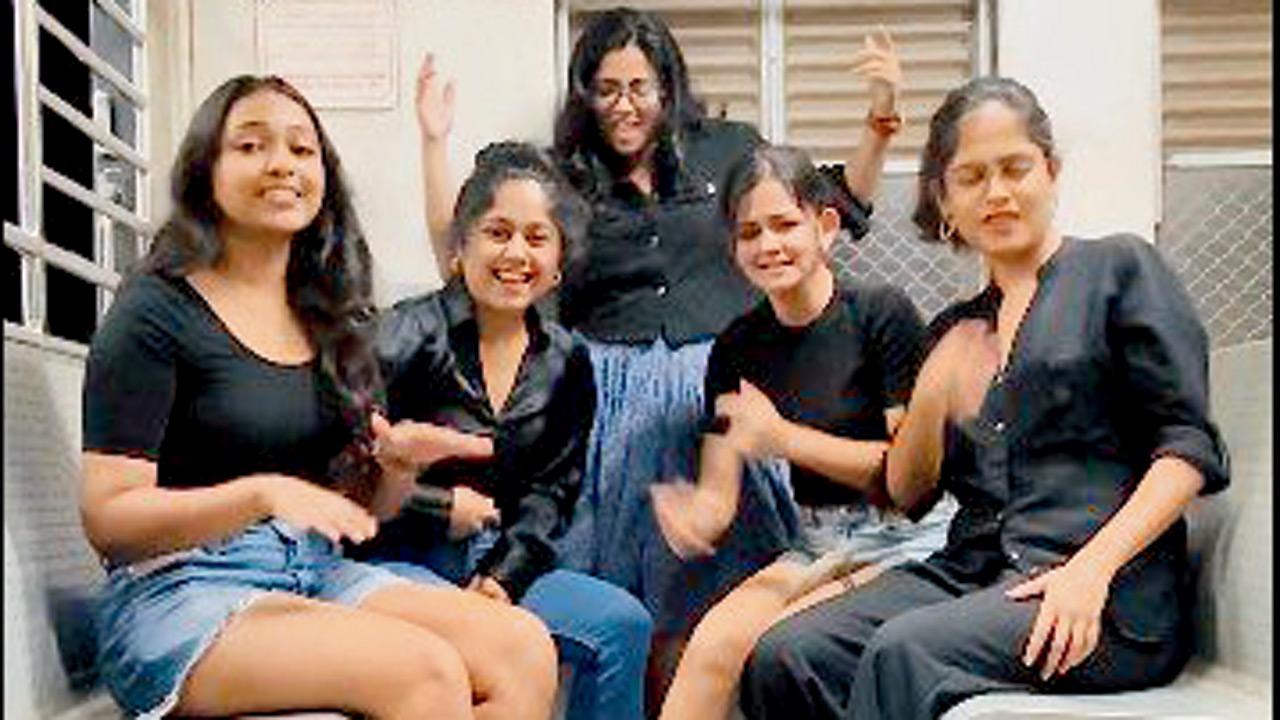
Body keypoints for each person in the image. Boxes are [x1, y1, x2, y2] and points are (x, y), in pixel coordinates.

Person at [414, 7, 907, 691]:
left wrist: (879, 123)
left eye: (639, 87)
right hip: (607, 405)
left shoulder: (729, 149)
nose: (625, 106)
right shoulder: (562, 177)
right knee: (622, 598)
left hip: (717, 394)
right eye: (607, 89)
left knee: (720, 595)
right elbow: (460, 253)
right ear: (584, 93)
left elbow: (837, 205)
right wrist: (433, 143)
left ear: (668, 87)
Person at [738, 76, 1231, 720]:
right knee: (787, 652)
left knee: (904, 653)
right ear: (945, 198)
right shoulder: (955, 328)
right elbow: (909, 494)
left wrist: (1092, 569)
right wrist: (934, 394)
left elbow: (1187, 447)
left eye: (1014, 168)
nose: (996, 192)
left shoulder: (1119, 269)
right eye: (970, 177)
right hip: (972, 575)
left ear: (1050, 172)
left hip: (1100, 594)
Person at [81, 75, 560, 719]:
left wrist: (395, 469)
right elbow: (109, 520)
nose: (282, 163)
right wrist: (257, 496)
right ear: (207, 169)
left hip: (311, 569)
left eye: (302, 150)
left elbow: (367, 510)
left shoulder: (327, 319)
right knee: (425, 674)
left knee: (522, 648)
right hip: (178, 589)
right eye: (251, 145)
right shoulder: (156, 312)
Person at [647, 144, 956, 720]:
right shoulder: (736, 346)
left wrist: (784, 438)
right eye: (749, 232)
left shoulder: (880, 314)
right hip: (816, 539)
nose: (768, 245)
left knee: (781, 647)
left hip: (907, 539)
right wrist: (693, 515)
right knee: (711, 646)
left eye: (785, 224)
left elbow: (908, 477)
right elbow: (719, 496)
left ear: (826, 226)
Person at [355, 141, 653, 720]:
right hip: (396, 562)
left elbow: (553, 490)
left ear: (559, 261)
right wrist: (438, 506)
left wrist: (504, 576)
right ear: (459, 248)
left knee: (622, 624)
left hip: (499, 562)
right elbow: (340, 466)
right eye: (498, 232)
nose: (517, 252)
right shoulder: (399, 336)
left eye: (537, 238)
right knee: (482, 652)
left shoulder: (567, 359)